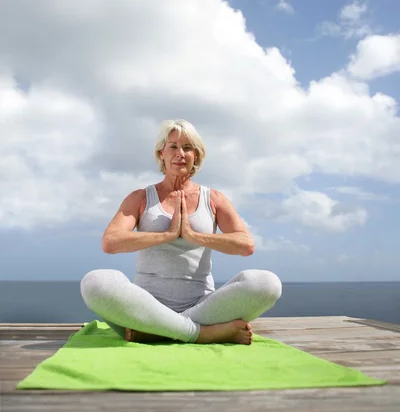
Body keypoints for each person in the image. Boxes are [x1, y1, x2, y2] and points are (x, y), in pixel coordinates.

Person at [80, 119, 282, 345]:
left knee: (267, 284)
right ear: (161, 154)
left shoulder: (213, 199)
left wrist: (193, 236)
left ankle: (158, 330)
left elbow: (246, 244)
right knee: (94, 282)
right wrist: (166, 235)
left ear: (197, 155)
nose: (180, 153)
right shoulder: (140, 198)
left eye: (188, 148)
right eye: (173, 146)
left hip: (202, 307)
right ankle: (199, 333)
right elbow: (111, 242)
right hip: (145, 305)